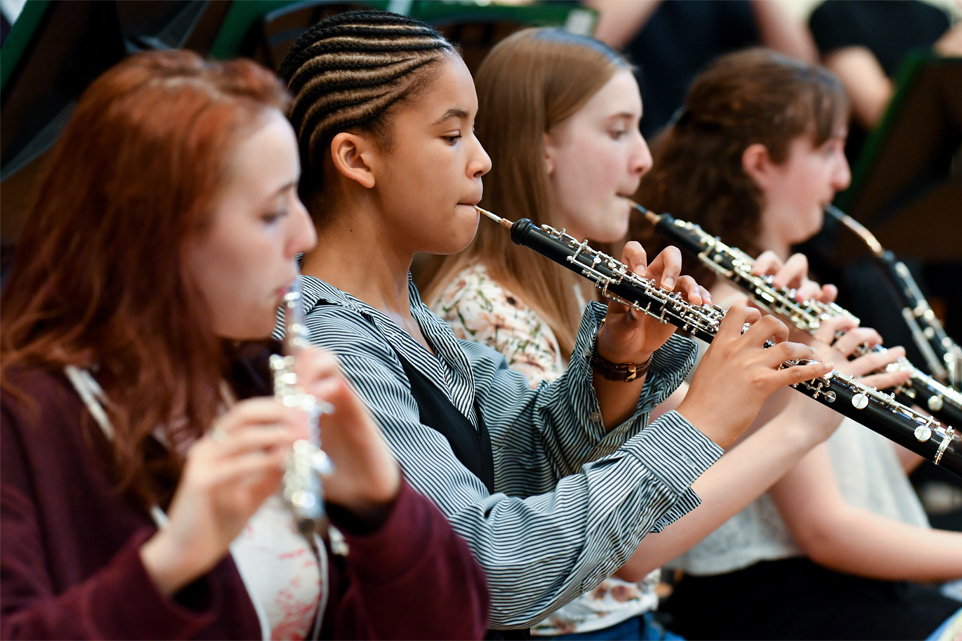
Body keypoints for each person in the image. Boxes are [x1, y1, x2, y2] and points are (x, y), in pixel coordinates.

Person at [278, 9, 833, 634]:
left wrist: (617, 362)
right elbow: (490, 568)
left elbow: (528, 458)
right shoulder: (326, 344)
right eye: (452, 135)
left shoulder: (405, 312)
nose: (483, 161)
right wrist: (697, 425)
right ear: (357, 158)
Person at [419, 27, 908, 640]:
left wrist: (777, 366)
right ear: (542, 145)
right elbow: (622, 539)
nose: (645, 159)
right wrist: (790, 421)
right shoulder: (484, 305)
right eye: (619, 130)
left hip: (634, 619)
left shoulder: (578, 287)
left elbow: (647, 456)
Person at [0, 49, 489, 641]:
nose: (303, 233)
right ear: (158, 239)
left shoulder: (251, 375)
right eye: (270, 212)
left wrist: (382, 508)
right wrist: (170, 565)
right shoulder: (24, 416)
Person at [634, 48, 962, 640]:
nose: (843, 178)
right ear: (760, 163)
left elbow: (846, 475)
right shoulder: (739, 309)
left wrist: (916, 426)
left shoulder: (792, 291)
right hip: (784, 603)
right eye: (828, 150)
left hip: (830, 589)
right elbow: (822, 528)